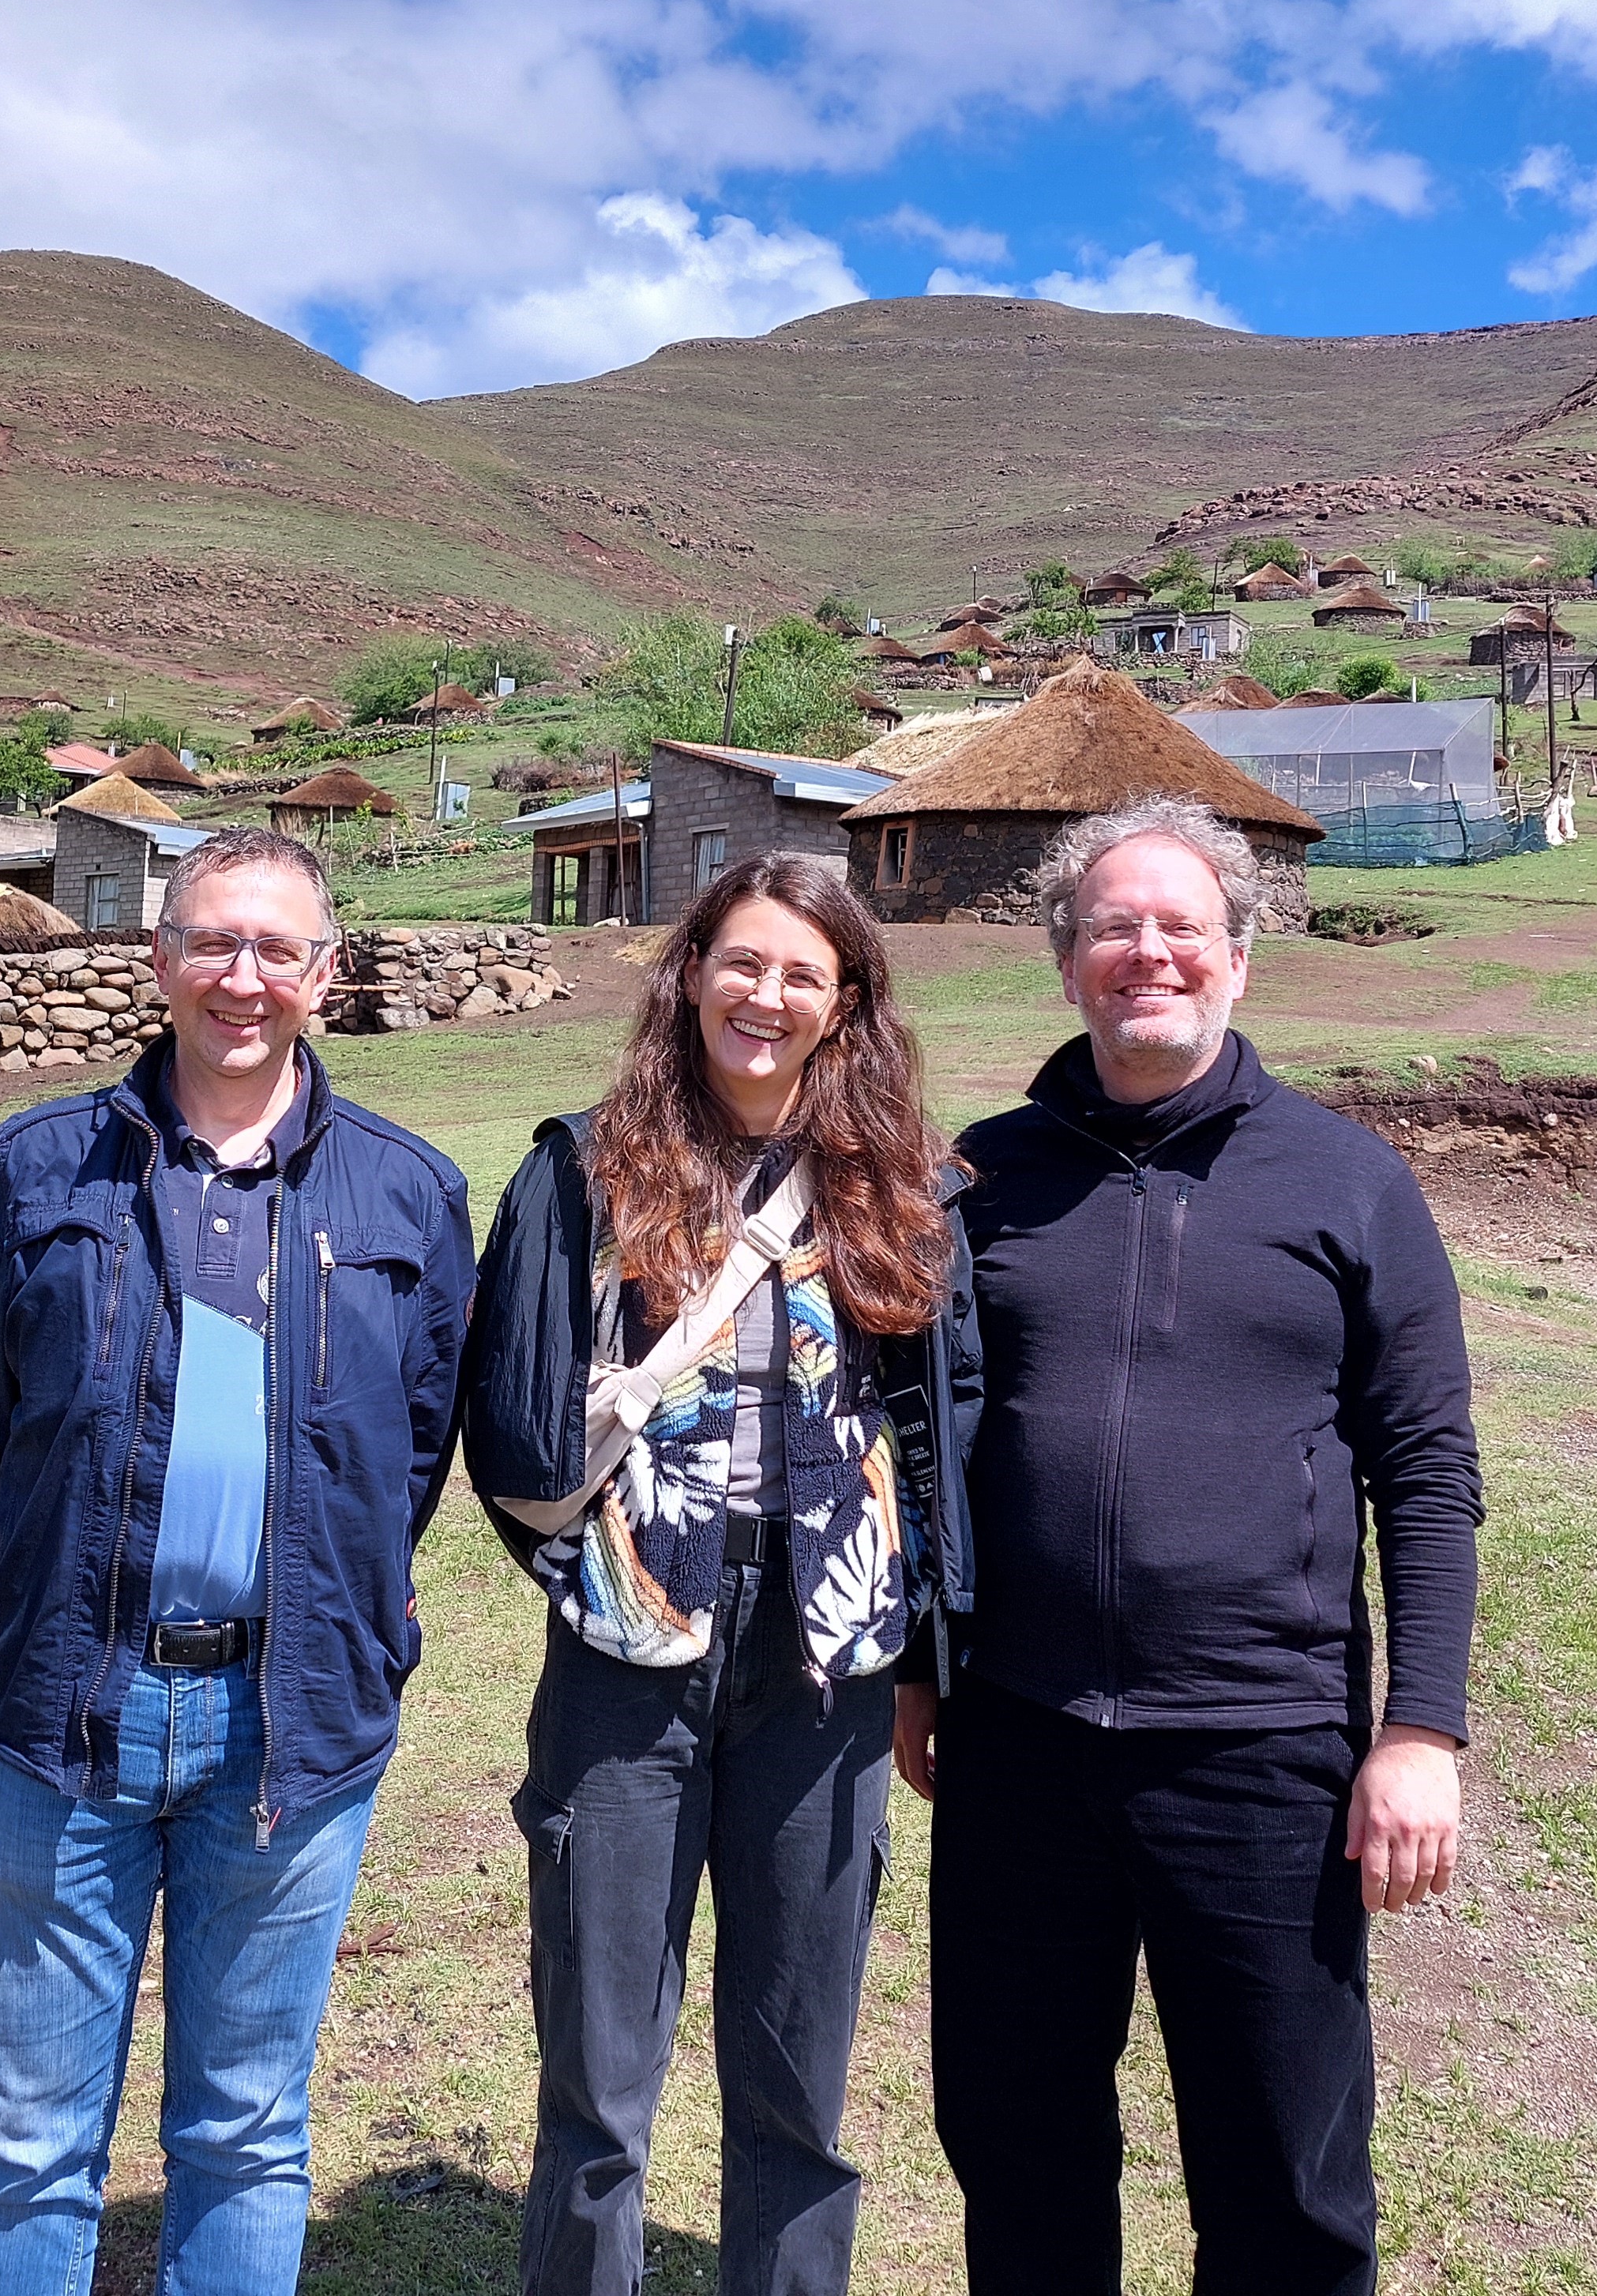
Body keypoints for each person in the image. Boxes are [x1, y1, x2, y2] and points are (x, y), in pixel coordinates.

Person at [908, 797, 1482, 2296]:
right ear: (1067, 961)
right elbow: (926, 1447)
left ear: (1241, 957)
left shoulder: (1348, 1182)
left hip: (1259, 1748)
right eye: (1114, 927)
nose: (1146, 952)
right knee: (1018, 2145)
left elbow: (1428, 1470)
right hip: (1017, 1745)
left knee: (1282, 2167)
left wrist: (1420, 1729)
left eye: (1180, 927)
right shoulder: (984, 1179)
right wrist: (920, 1670)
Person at [0, 828, 476, 2295]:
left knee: (245, 2130)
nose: (245, 978)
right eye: (215, 944)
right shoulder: (43, 1163)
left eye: (278, 950)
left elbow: (406, 1456)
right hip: (62, 1712)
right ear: (160, 958)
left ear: (328, 971)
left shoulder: (408, 1193)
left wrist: (327, 1606)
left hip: (290, 1726)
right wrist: (58, 1586)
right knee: (34, 2137)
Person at [464, 853, 982, 2296]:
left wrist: (920, 1639)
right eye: (743, 963)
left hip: (828, 1674)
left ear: (848, 1003)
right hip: (627, 1667)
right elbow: (509, 1430)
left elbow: (940, 1430)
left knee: (796, 2085)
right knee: (597, 2087)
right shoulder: (579, 1171)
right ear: (691, 971)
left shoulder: (906, 1190)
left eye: (803, 974)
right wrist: (600, 1578)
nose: (767, 996)